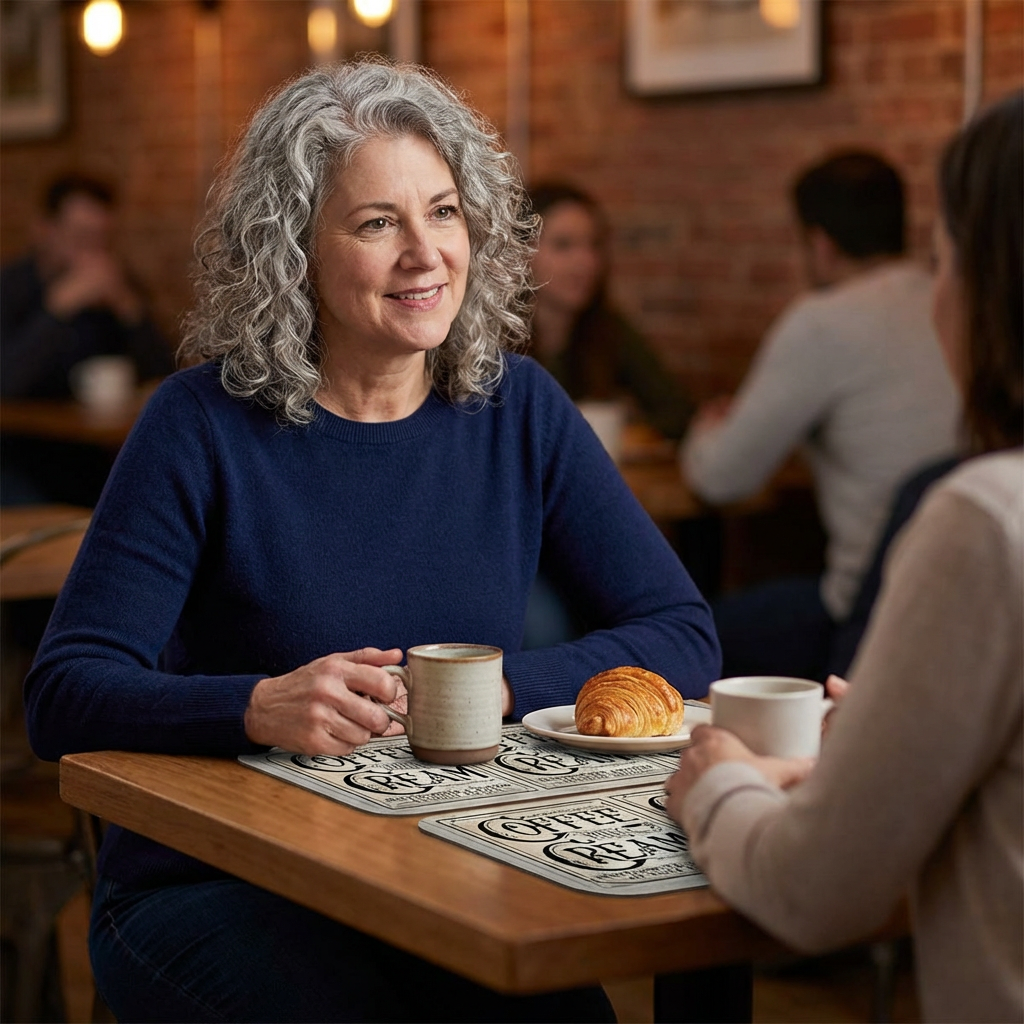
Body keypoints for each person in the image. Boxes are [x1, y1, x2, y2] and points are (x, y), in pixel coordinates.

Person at [24, 61, 720, 1023]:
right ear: (293, 251)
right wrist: (259, 706)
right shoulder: (197, 425)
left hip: (446, 871)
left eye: (442, 212)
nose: (424, 255)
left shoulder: (518, 409)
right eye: (376, 223)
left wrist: (503, 689)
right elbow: (63, 693)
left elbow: (681, 633)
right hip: (218, 888)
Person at [665, 91, 1023, 1024]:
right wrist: (893, 739)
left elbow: (813, 894)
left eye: (945, 262)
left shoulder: (986, 518)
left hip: (848, 609)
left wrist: (721, 784)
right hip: (881, 629)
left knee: (687, 642)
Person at [680, 151, 962, 681]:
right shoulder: (949, 300)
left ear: (819, 242)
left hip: (868, 606)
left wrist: (706, 428)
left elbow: (720, 478)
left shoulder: (824, 322)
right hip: (957, 588)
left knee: (689, 633)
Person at [1, 173, 173, 505]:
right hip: (18, 459)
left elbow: (164, 374)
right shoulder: (11, 288)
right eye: (81, 237)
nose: (92, 252)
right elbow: (6, 383)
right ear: (44, 231)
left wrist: (129, 308)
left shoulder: (117, 287)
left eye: (101, 239)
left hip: (95, 458)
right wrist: (58, 309)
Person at [527, 181, 693, 441]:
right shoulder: (486, 336)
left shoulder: (606, 328)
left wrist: (625, 426)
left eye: (593, 245)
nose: (586, 262)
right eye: (564, 245)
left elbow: (677, 413)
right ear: (520, 253)